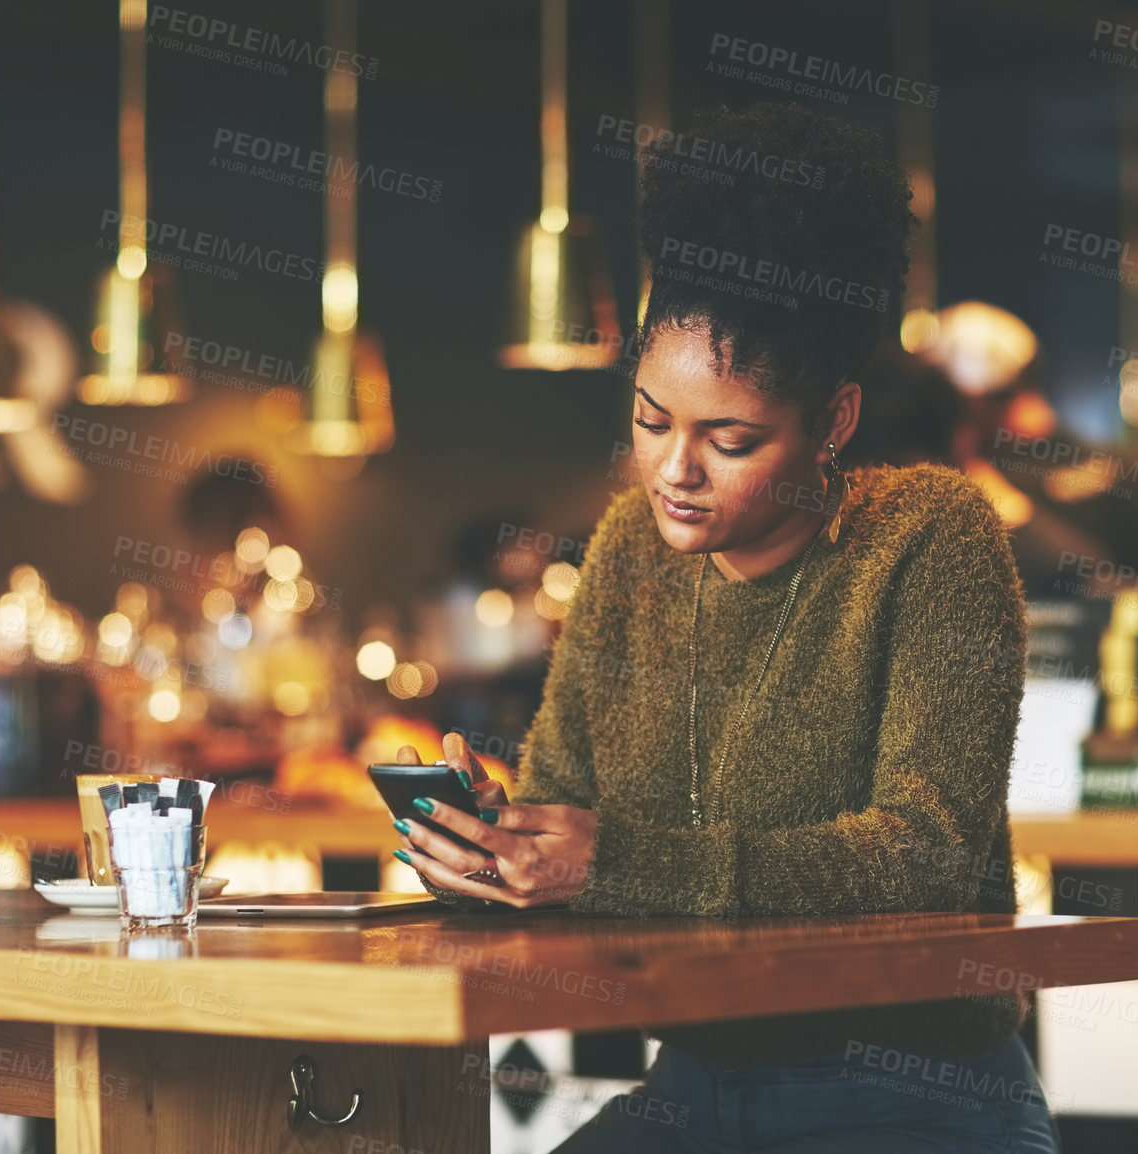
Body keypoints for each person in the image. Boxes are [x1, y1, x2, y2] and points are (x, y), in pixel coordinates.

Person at [390, 101, 1054, 1153]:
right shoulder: (625, 550)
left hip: (912, 1097)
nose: (674, 470)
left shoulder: (931, 535)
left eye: (729, 437)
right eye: (652, 420)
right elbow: (569, 806)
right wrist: (496, 850)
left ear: (833, 420)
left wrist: (608, 862)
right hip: (695, 1088)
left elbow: (922, 853)